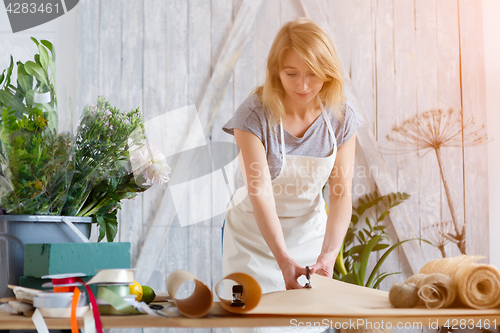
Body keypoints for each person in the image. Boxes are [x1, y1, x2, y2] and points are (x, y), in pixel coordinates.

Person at [222, 17, 362, 298]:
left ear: (328, 71)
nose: (303, 85)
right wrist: (283, 259)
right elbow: (259, 193)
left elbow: (340, 194)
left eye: (312, 73)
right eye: (291, 73)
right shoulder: (253, 116)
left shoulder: (341, 118)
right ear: (276, 72)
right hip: (252, 241)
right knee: (254, 325)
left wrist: (328, 255)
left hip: (310, 238)